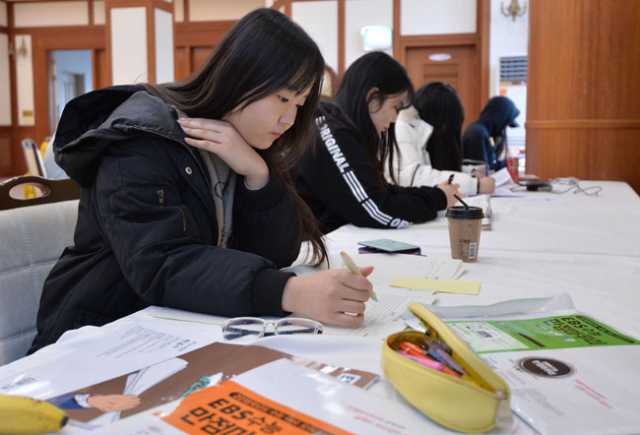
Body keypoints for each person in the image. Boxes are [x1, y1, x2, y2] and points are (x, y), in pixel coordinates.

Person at [29, 8, 375, 354]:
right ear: (239, 75)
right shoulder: (141, 141)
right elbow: (163, 263)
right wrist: (288, 292)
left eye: (299, 105)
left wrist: (259, 174)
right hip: (94, 338)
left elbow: (277, 253)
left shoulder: (241, 144)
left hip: (176, 330)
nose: (288, 118)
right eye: (282, 98)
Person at [291, 52, 461, 234]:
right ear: (372, 97)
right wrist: (438, 199)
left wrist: (433, 194)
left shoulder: (338, 125)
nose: (395, 118)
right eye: (395, 107)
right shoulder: (333, 132)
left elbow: (378, 192)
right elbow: (377, 210)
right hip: (308, 250)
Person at [392, 82, 495, 195]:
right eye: (446, 127)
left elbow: (434, 167)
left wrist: (470, 173)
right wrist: (475, 185)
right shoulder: (401, 129)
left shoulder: (419, 130)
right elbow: (415, 178)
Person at [462, 95, 520, 171]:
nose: (503, 130)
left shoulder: (482, 131)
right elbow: (483, 170)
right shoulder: (479, 134)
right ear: (499, 119)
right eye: (504, 125)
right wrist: (507, 163)